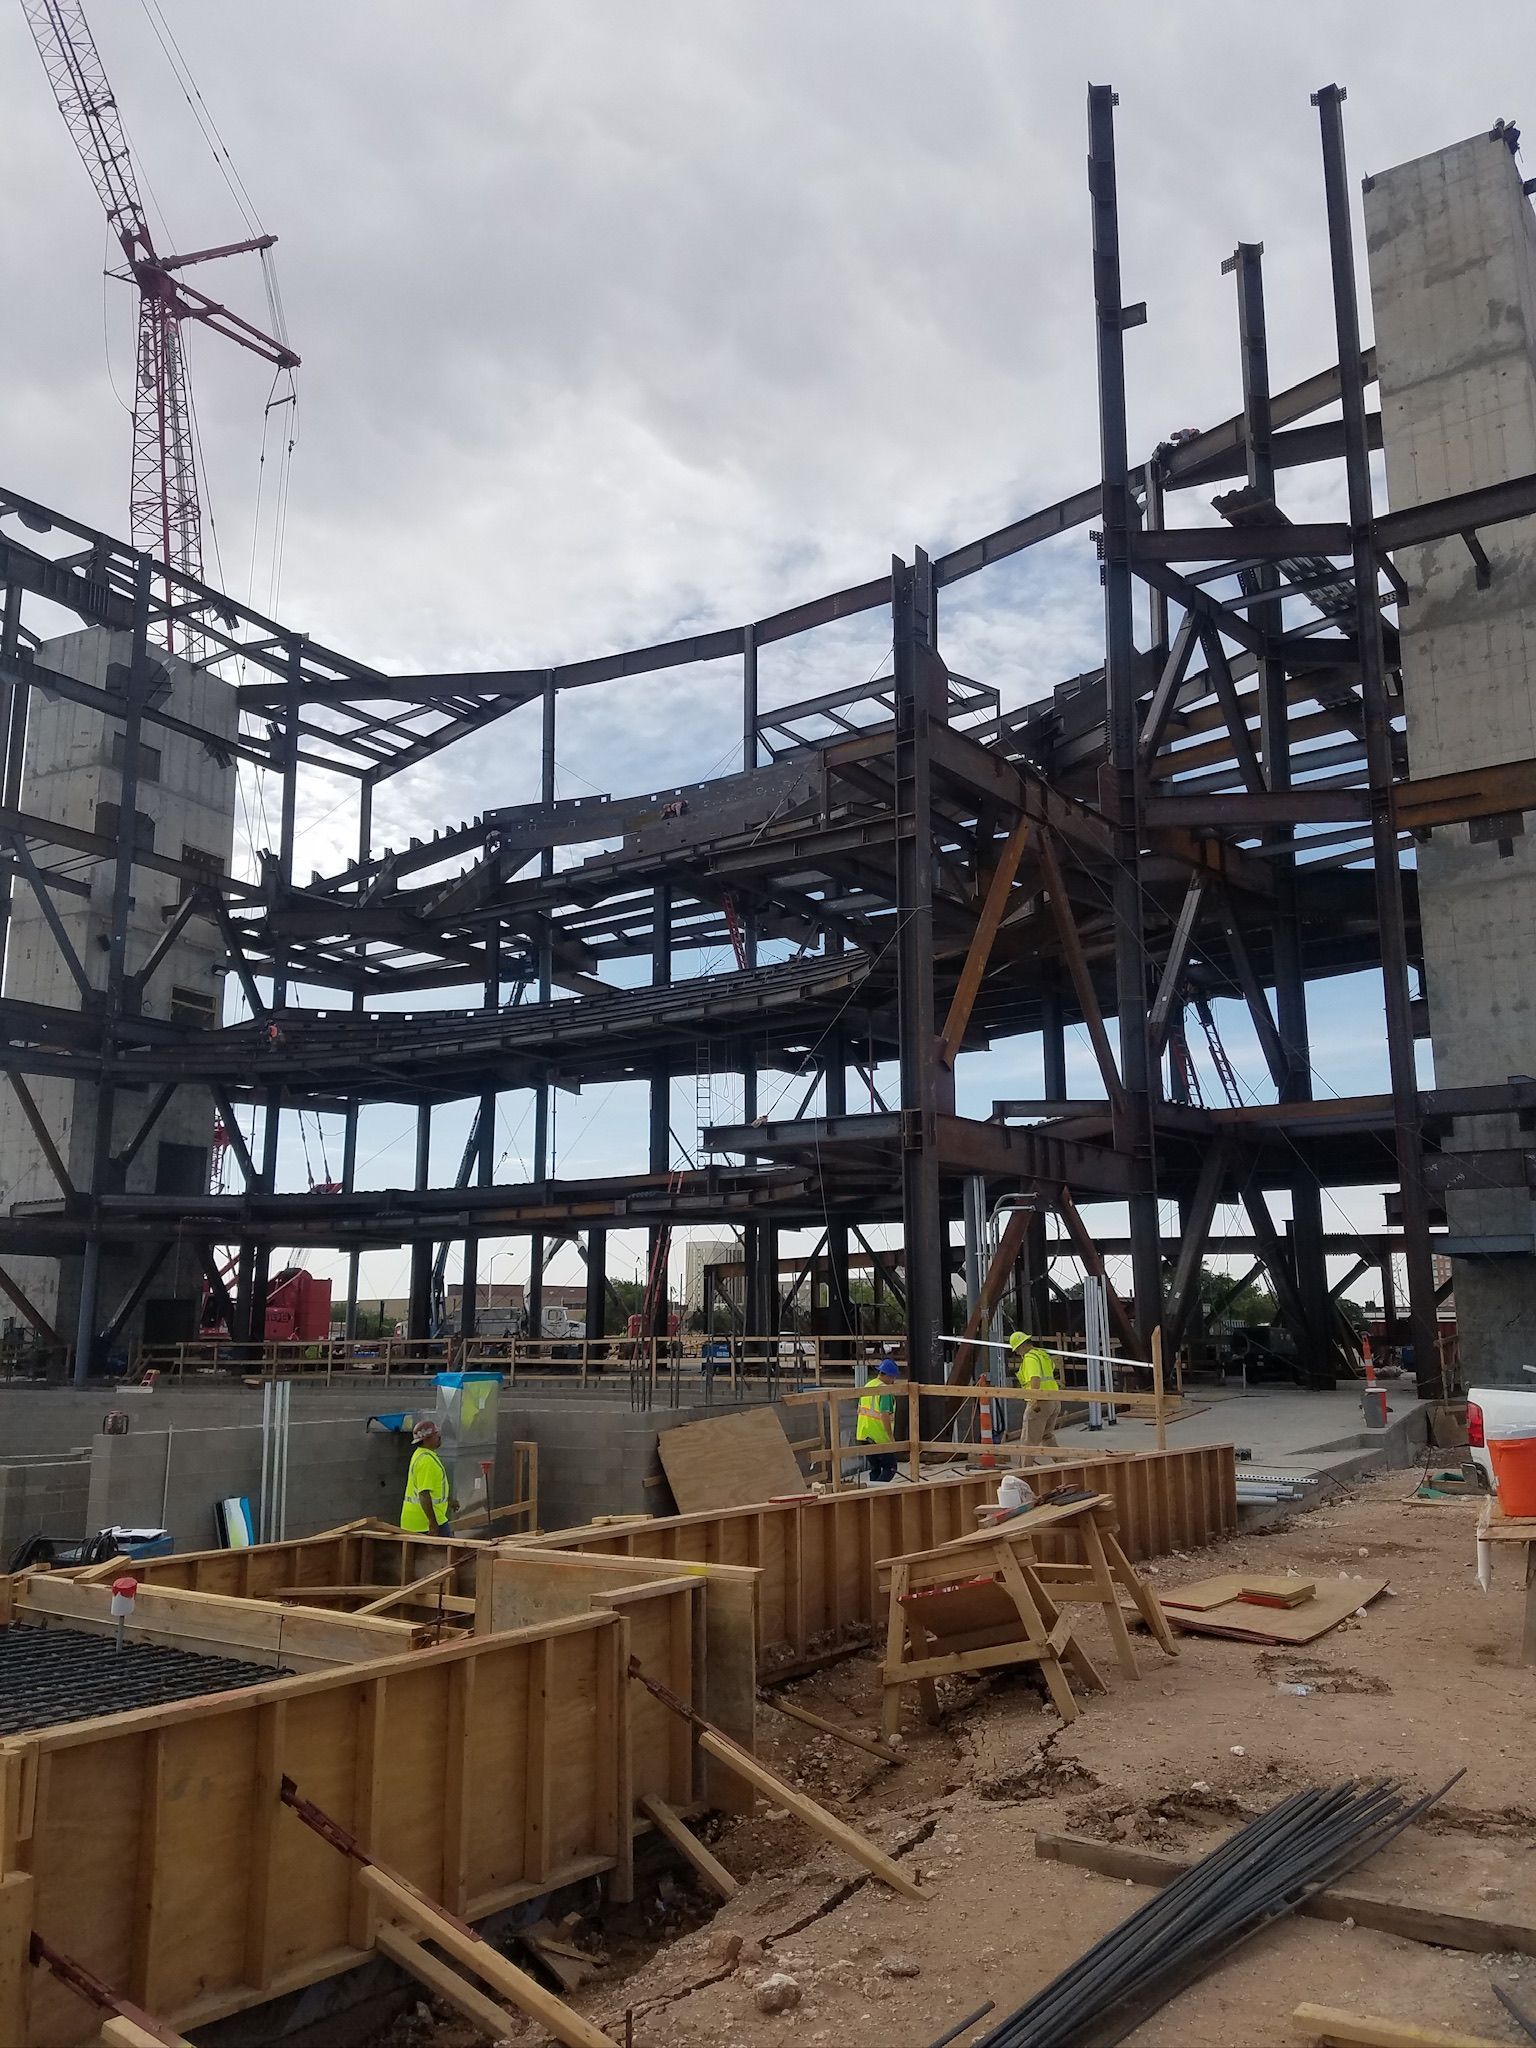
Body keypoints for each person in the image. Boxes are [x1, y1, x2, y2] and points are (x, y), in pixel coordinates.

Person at [400, 1417, 453, 1535]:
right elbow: (424, 1494)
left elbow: (434, 1488)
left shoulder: (421, 1454)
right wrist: (432, 1523)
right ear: (427, 1439)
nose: (439, 1437)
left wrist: (449, 1501)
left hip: (417, 1521)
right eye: (436, 1434)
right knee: (445, 1552)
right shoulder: (426, 1461)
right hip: (425, 1523)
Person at [1008, 1330, 1062, 1447]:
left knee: (1028, 1441)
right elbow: (1051, 1370)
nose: (1017, 1352)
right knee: (1047, 1436)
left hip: (1040, 1402)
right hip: (1054, 1400)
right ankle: (1063, 1462)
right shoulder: (1042, 1355)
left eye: (1017, 1349)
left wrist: (1034, 1400)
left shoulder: (1030, 1358)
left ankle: (1026, 1466)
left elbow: (1035, 1378)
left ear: (1022, 1345)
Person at [856, 1356, 902, 1483]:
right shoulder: (885, 1391)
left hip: (864, 1436)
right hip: (879, 1438)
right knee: (890, 1468)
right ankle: (878, 1494)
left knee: (875, 1469)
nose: (893, 1381)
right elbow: (884, 1415)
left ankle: (870, 1495)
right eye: (893, 1377)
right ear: (888, 1375)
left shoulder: (868, 1386)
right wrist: (891, 1437)